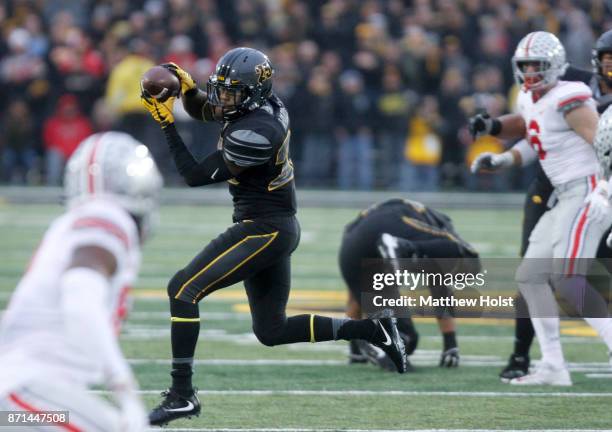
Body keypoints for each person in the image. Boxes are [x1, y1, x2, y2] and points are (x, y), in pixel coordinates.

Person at [140, 47, 408, 426]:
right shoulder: (262, 107)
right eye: (222, 90)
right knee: (272, 330)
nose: (223, 98)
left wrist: (166, 124)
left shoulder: (259, 131)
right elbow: (211, 109)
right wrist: (188, 91)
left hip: (264, 228)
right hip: (273, 225)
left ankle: (182, 395)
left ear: (252, 93)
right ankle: (372, 329)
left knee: (182, 290)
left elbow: (195, 175)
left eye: (232, 92)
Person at [470, 31, 612, 386]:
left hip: (588, 190)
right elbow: (537, 139)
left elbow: (606, 146)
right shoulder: (529, 99)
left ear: (556, 66)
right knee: (530, 276)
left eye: (538, 66)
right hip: (563, 195)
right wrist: (503, 160)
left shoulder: (571, 98)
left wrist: (605, 191)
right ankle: (552, 365)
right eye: (526, 66)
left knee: (568, 278)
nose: (531, 72)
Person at [0, 131, 163, 431]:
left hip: (20, 398)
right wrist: (124, 388)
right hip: (26, 390)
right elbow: (80, 299)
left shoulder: (78, 220)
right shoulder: (108, 217)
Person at [339, 198, 481, 371]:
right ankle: (402, 246)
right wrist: (450, 343)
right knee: (469, 255)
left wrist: (355, 349)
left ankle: (367, 345)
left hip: (350, 247)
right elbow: (441, 292)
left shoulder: (400, 216)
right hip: (388, 230)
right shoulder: (433, 231)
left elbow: (355, 295)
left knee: (406, 339)